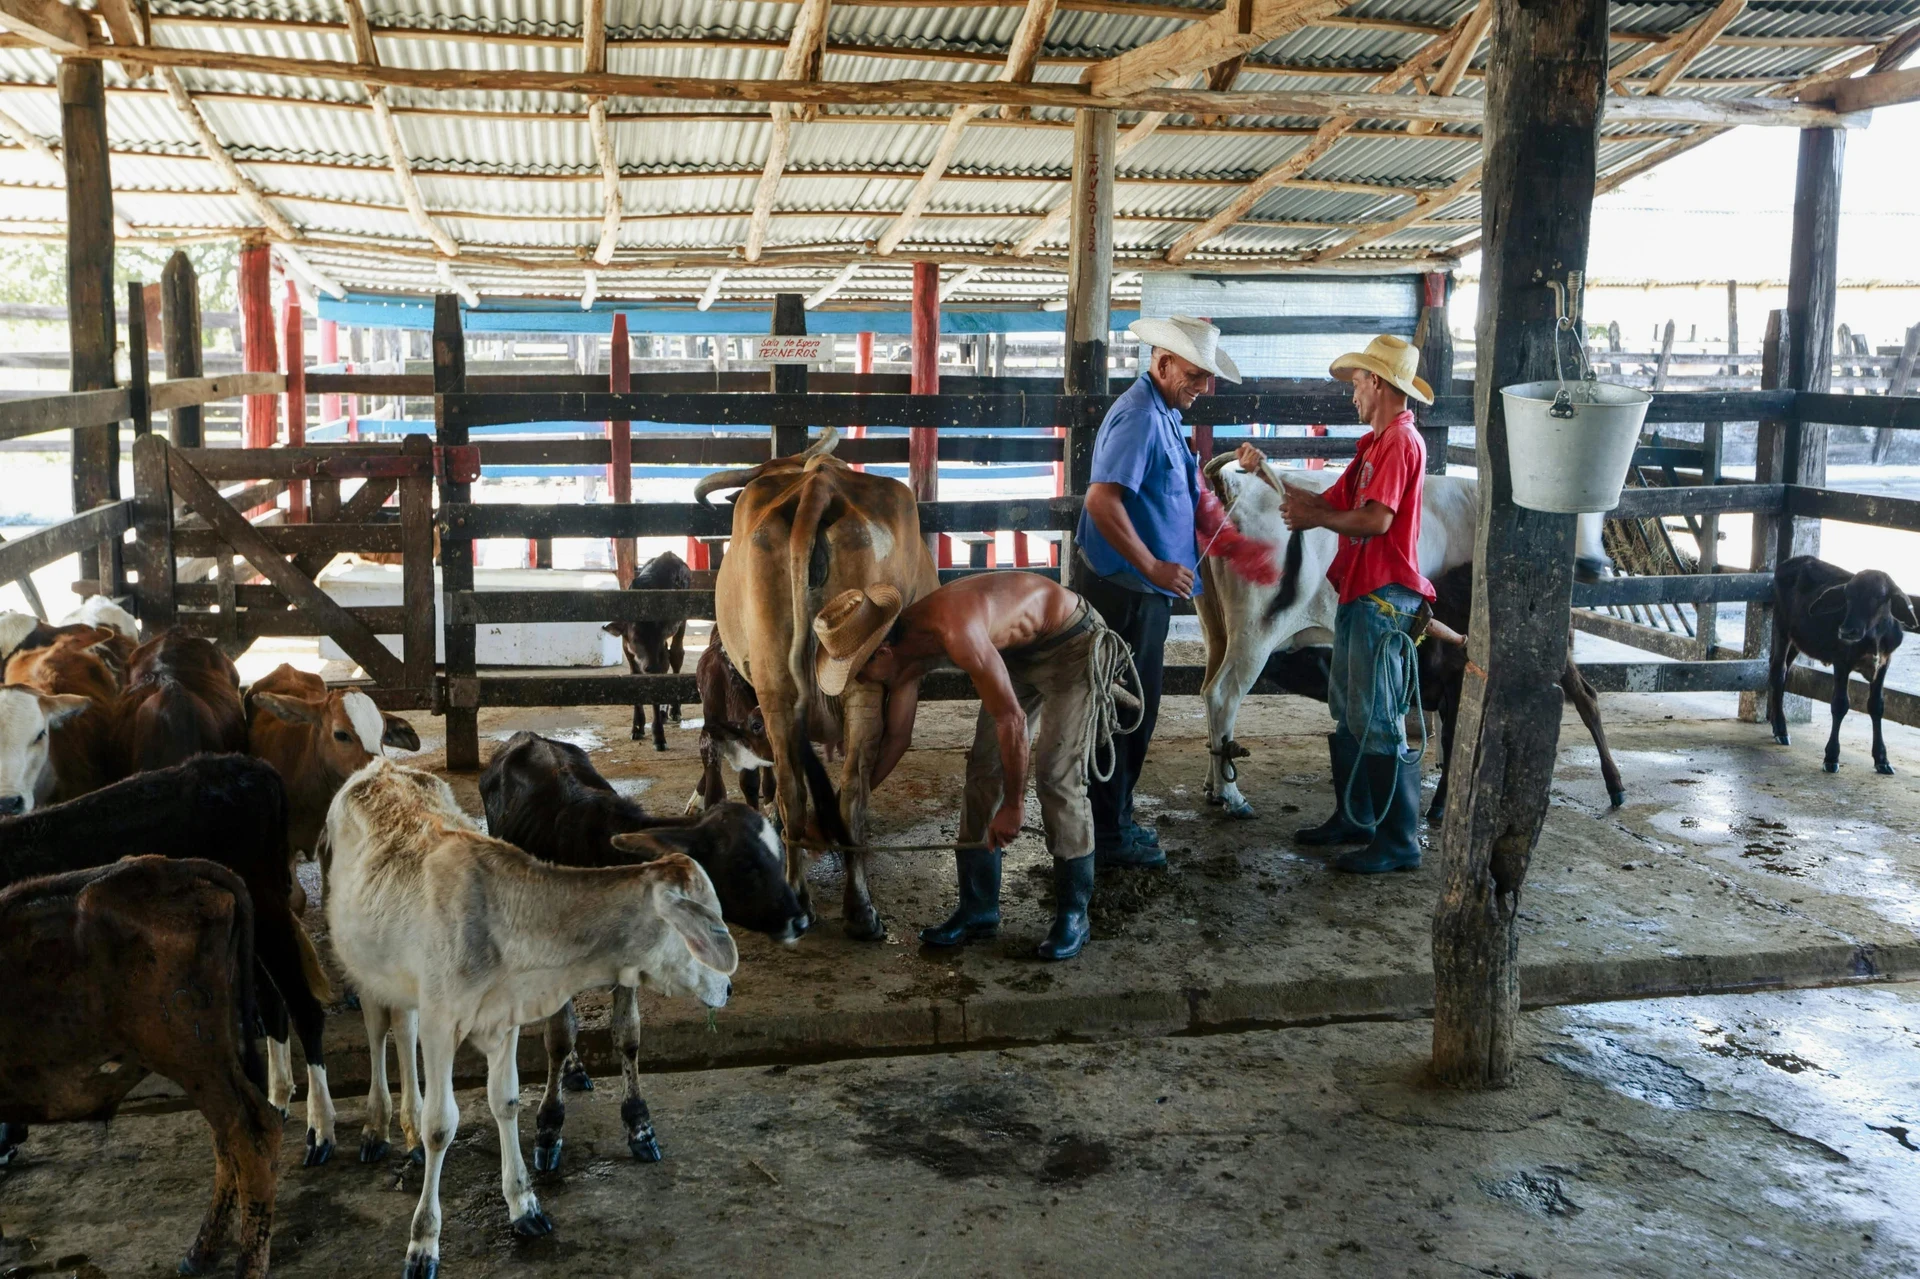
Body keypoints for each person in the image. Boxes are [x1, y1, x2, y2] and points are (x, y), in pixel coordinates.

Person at [812, 573, 1135, 962]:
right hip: (1014, 656)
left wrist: (1014, 805)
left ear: (881, 654)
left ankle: (1073, 914)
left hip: (1072, 643)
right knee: (983, 772)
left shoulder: (954, 629)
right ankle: (978, 908)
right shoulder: (903, 654)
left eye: (859, 673)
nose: (858, 681)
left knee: (1057, 775)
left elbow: (1011, 721)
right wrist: (834, 813)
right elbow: (898, 740)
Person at [1074, 314, 1240, 870]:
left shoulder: (1165, 413)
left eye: (1207, 377)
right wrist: (1155, 565)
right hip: (1125, 590)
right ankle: (1109, 834)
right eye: (1195, 374)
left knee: (1133, 709)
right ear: (1163, 363)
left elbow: (1176, 490)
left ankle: (1113, 820)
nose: (1203, 386)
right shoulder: (1143, 417)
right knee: (1122, 711)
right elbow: (1101, 500)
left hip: (1141, 589)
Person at [1279, 334, 1437, 874]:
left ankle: (1397, 842)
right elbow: (1334, 500)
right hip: (1362, 590)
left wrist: (1312, 517)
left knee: (1376, 713)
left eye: (1356, 384)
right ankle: (1357, 816)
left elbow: (1375, 520)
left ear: (1377, 383)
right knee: (1350, 706)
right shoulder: (1373, 446)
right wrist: (1276, 484)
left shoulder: (1399, 442)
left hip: (1383, 593)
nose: (1352, 395)